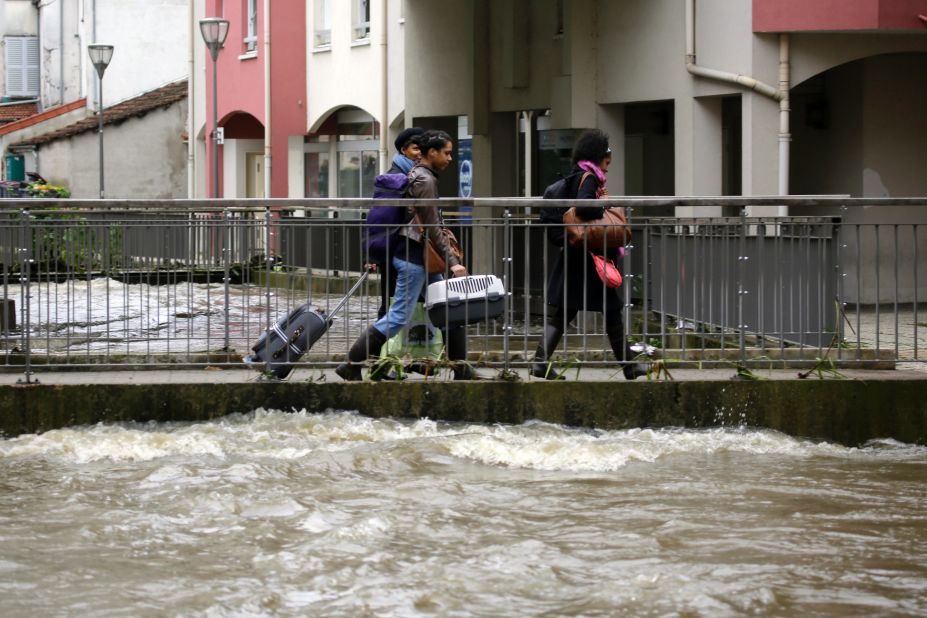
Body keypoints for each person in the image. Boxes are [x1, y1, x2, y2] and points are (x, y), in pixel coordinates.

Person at [337, 129, 473, 381]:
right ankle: (351, 364)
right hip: (414, 258)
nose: (450, 158)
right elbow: (432, 227)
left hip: (417, 256)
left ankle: (462, 370)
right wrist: (454, 264)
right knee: (399, 316)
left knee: (451, 310)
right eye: (446, 153)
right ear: (431, 152)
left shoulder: (419, 175)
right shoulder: (425, 180)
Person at [532, 129, 648, 381]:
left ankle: (540, 363)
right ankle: (628, 367)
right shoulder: (590, 178)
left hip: (576, 256)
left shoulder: (576, 176)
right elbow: (585, 207)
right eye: (607, 162)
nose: (607, 168)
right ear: (598, 157)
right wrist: (603, 206)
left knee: (566, 312)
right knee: (612, 310)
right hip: (591, 260)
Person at [372, 127, 425, 320]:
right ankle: (376, 345)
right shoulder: (394, 177)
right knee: (391, 300)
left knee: (406, 300)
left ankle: (411, 344)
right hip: (396, 248)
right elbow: (380, 217)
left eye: (422, 149)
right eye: (415, 149)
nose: (420, 153)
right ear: (404, 150)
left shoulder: (417, 176)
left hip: (411, 247)